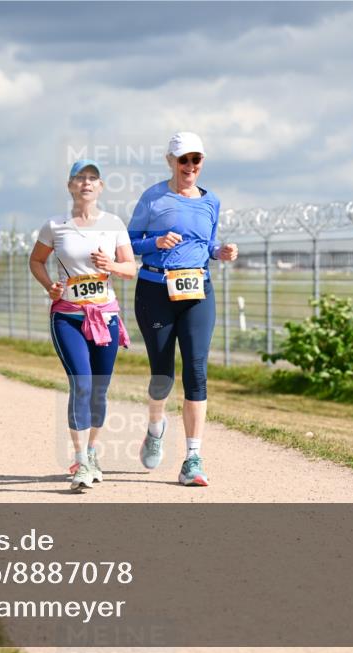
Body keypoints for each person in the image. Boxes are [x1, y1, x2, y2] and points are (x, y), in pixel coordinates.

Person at [128, 132, 238, 486]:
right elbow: (128, 243)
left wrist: (220, 251)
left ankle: (193, 457)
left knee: (196, 370)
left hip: (197, 289)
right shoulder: (154, 197)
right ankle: (156, 429)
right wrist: (155, 241)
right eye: (183, 160)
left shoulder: (211, 202)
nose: (190, 166)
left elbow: (207, 243)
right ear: (170, 162)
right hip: (155, 289)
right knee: (162, 374)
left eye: (196, 160)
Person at [29, 159, 136, 492]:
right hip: (68, 316)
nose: (86, 183)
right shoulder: (55, 226)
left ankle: (92, 452)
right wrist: (50, 286)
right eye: (80, 178)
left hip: (105, 317)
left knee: (100, 389)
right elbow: (35, 260)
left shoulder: (114, 223)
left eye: (93, 178)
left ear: (101, 187)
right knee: (82, 384)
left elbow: (131, 268)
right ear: (70, 186)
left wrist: (112, 265)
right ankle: (79, 460)